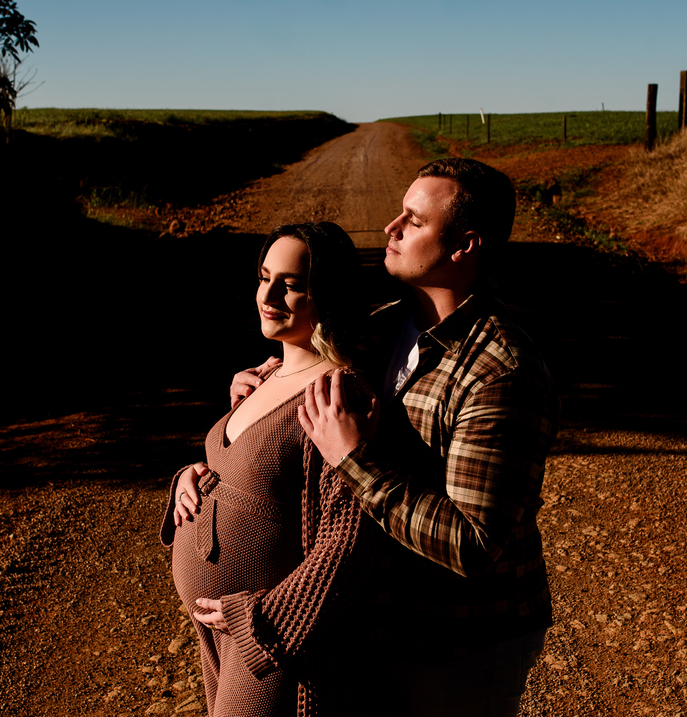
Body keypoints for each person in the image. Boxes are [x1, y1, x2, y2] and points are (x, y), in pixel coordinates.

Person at [232, 158, 558, 717]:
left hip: (457, 643)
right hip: (378, 622)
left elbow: (472, 544)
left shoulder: (501, 372)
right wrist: (255, 397)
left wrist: (355, 459)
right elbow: (309, 380)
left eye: (413, 219)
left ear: (465, 246)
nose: (391, 227)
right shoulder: (384, 326)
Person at [162, 222, 378, 717]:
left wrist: (263, 619)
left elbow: (350, 541)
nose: (270, 295)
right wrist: (189, 479)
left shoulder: (336, 397)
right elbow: (243, 471)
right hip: (223, 628)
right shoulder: (266, 375)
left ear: (328, 294)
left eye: (292, 284)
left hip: (274, 642)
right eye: (265, 277)